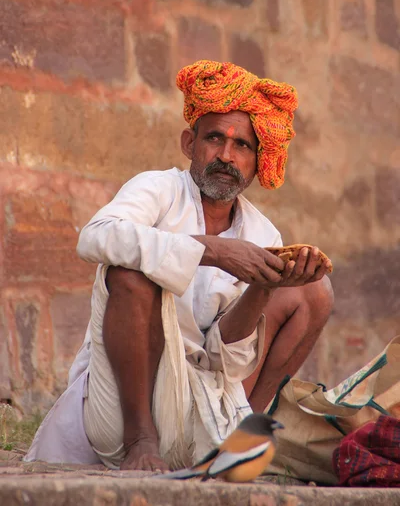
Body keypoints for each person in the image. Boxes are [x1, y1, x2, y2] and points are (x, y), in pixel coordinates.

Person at [25, 60, 333, 472]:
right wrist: (213, 251)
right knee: (130, 270)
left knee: (315, 291)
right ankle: (141, 442)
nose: (226, 155)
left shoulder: (262, 233)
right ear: (190, 143)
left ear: (258, 162)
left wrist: (264, 286)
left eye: (242, 145)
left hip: (205, 408)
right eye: (215, 139)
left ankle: (242, 439)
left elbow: (228, 361)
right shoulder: (157, 188)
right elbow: (94, 237)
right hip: (124, 412)